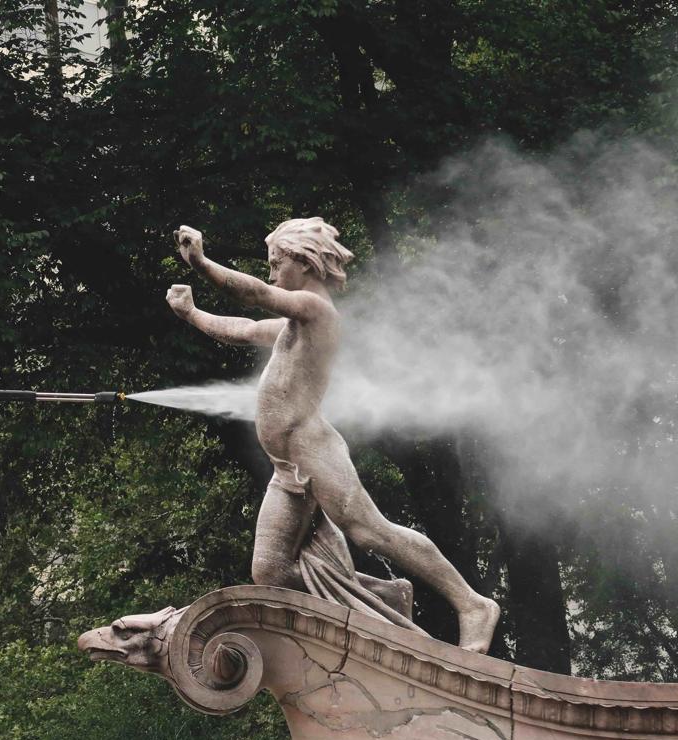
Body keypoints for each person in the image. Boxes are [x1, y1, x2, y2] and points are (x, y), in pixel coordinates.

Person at [166, 220, 500, 653]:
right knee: (269, 571)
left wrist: (202, 264)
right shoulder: (291, 327)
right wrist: (191, 314)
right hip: (286, 469)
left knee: (370, 532)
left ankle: (472, 604)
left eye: (276, 264)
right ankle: (384, 596)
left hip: (313, 449)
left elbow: (257, 294)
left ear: (304, 263)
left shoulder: (317, 312)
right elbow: (243, 327)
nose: (271, 274)